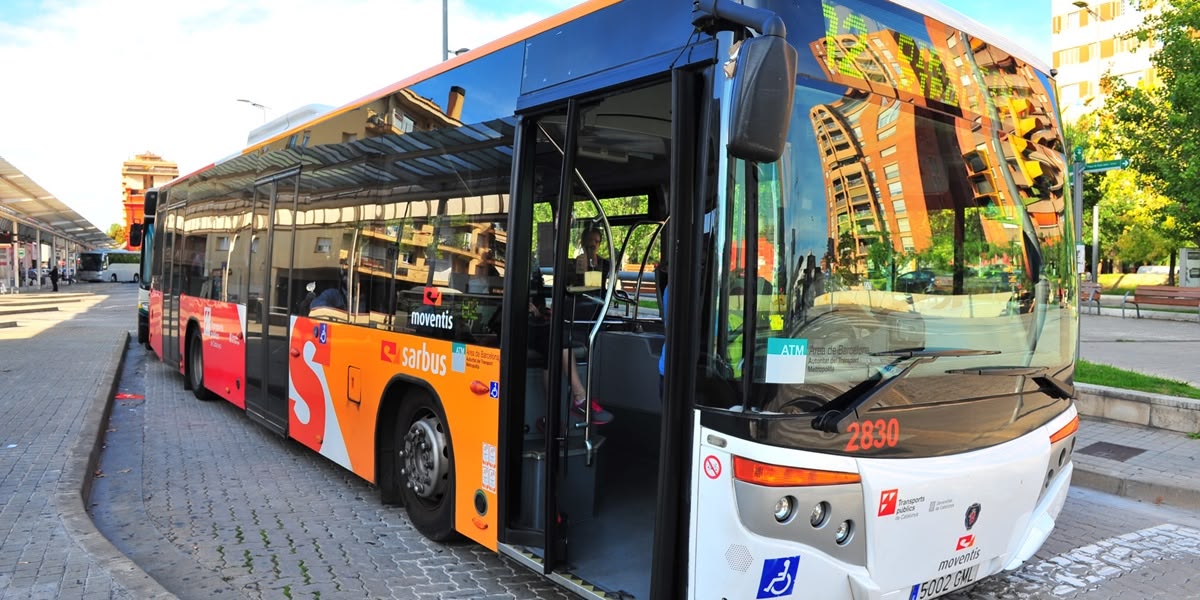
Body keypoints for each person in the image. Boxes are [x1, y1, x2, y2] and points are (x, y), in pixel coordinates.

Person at [528, 265, 613, 425]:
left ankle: (552, 418)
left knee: (554, 345)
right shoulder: (509, 272)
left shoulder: (601, 264)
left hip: (536, 325)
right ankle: (579, 397)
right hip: (516, 328)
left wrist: (538, 312)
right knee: (558, 339)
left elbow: (595, 284)